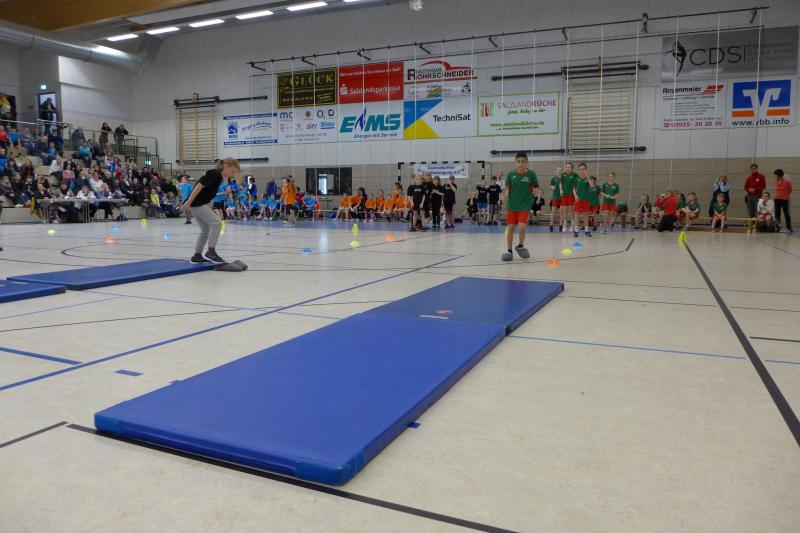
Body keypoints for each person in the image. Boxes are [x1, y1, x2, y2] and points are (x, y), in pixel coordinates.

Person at [180, 158, 240, 264]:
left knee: (205, 229)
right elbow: (199, 186)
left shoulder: (217, 175)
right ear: (226, 166)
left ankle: (197, 256)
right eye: (233, 172)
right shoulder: (215, 174)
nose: (233, 175)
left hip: (197, 204)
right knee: (217, 224)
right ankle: (211, 252)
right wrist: (188, 202)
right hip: (197, 203)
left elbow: (206, 191)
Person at [501, 152, 539, 262]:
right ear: (515, 163)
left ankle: (520, 245)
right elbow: (508, 187)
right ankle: (509, 250)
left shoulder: (531, 174)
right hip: (512, 205)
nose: (521, 164)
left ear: (526, 163)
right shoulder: (511, 174)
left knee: (522, 226)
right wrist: (505, 196)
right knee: (510, 227)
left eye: (523, 162)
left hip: (525, 205)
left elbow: (536, 186)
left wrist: (536, 192)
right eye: (518, 162)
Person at [573, 163, 592, 237]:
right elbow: (574, 188)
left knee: (586, 215)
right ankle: (576, 230)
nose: (581, 170)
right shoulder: (576, 178)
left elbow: (592, 186)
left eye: (583, 169)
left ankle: (586, 230)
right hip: (578, 199)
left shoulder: (588, 178)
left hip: (586, 199)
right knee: (576, 214)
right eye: (580, 169)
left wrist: (587, 176)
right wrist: (575, 196)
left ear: (586, 169)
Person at [560, 162, 578, 233]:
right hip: (565, 195)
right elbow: (561, 183)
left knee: (571, 210)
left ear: (572, 168)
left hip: (572, 195)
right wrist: (561, 190)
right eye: (567, 167)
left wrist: (576, 193)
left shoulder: (575, 175)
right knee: (565, 210)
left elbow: (576, 184)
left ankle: (572, 224)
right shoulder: (563, 175)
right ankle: (565, 224)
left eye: (569, 167)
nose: (567, 168)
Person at [549, 166, 563, 232]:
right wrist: (552, 187)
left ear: (562, 171)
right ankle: (551, 225)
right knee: (553, 212)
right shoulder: (553, 179)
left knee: (561, 212)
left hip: (562, 198)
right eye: (558, 170)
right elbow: (550, 185)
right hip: (555, 197)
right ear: (556, 171)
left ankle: (560, 225)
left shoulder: (563, 179)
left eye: (560, 170)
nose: (559, 171)